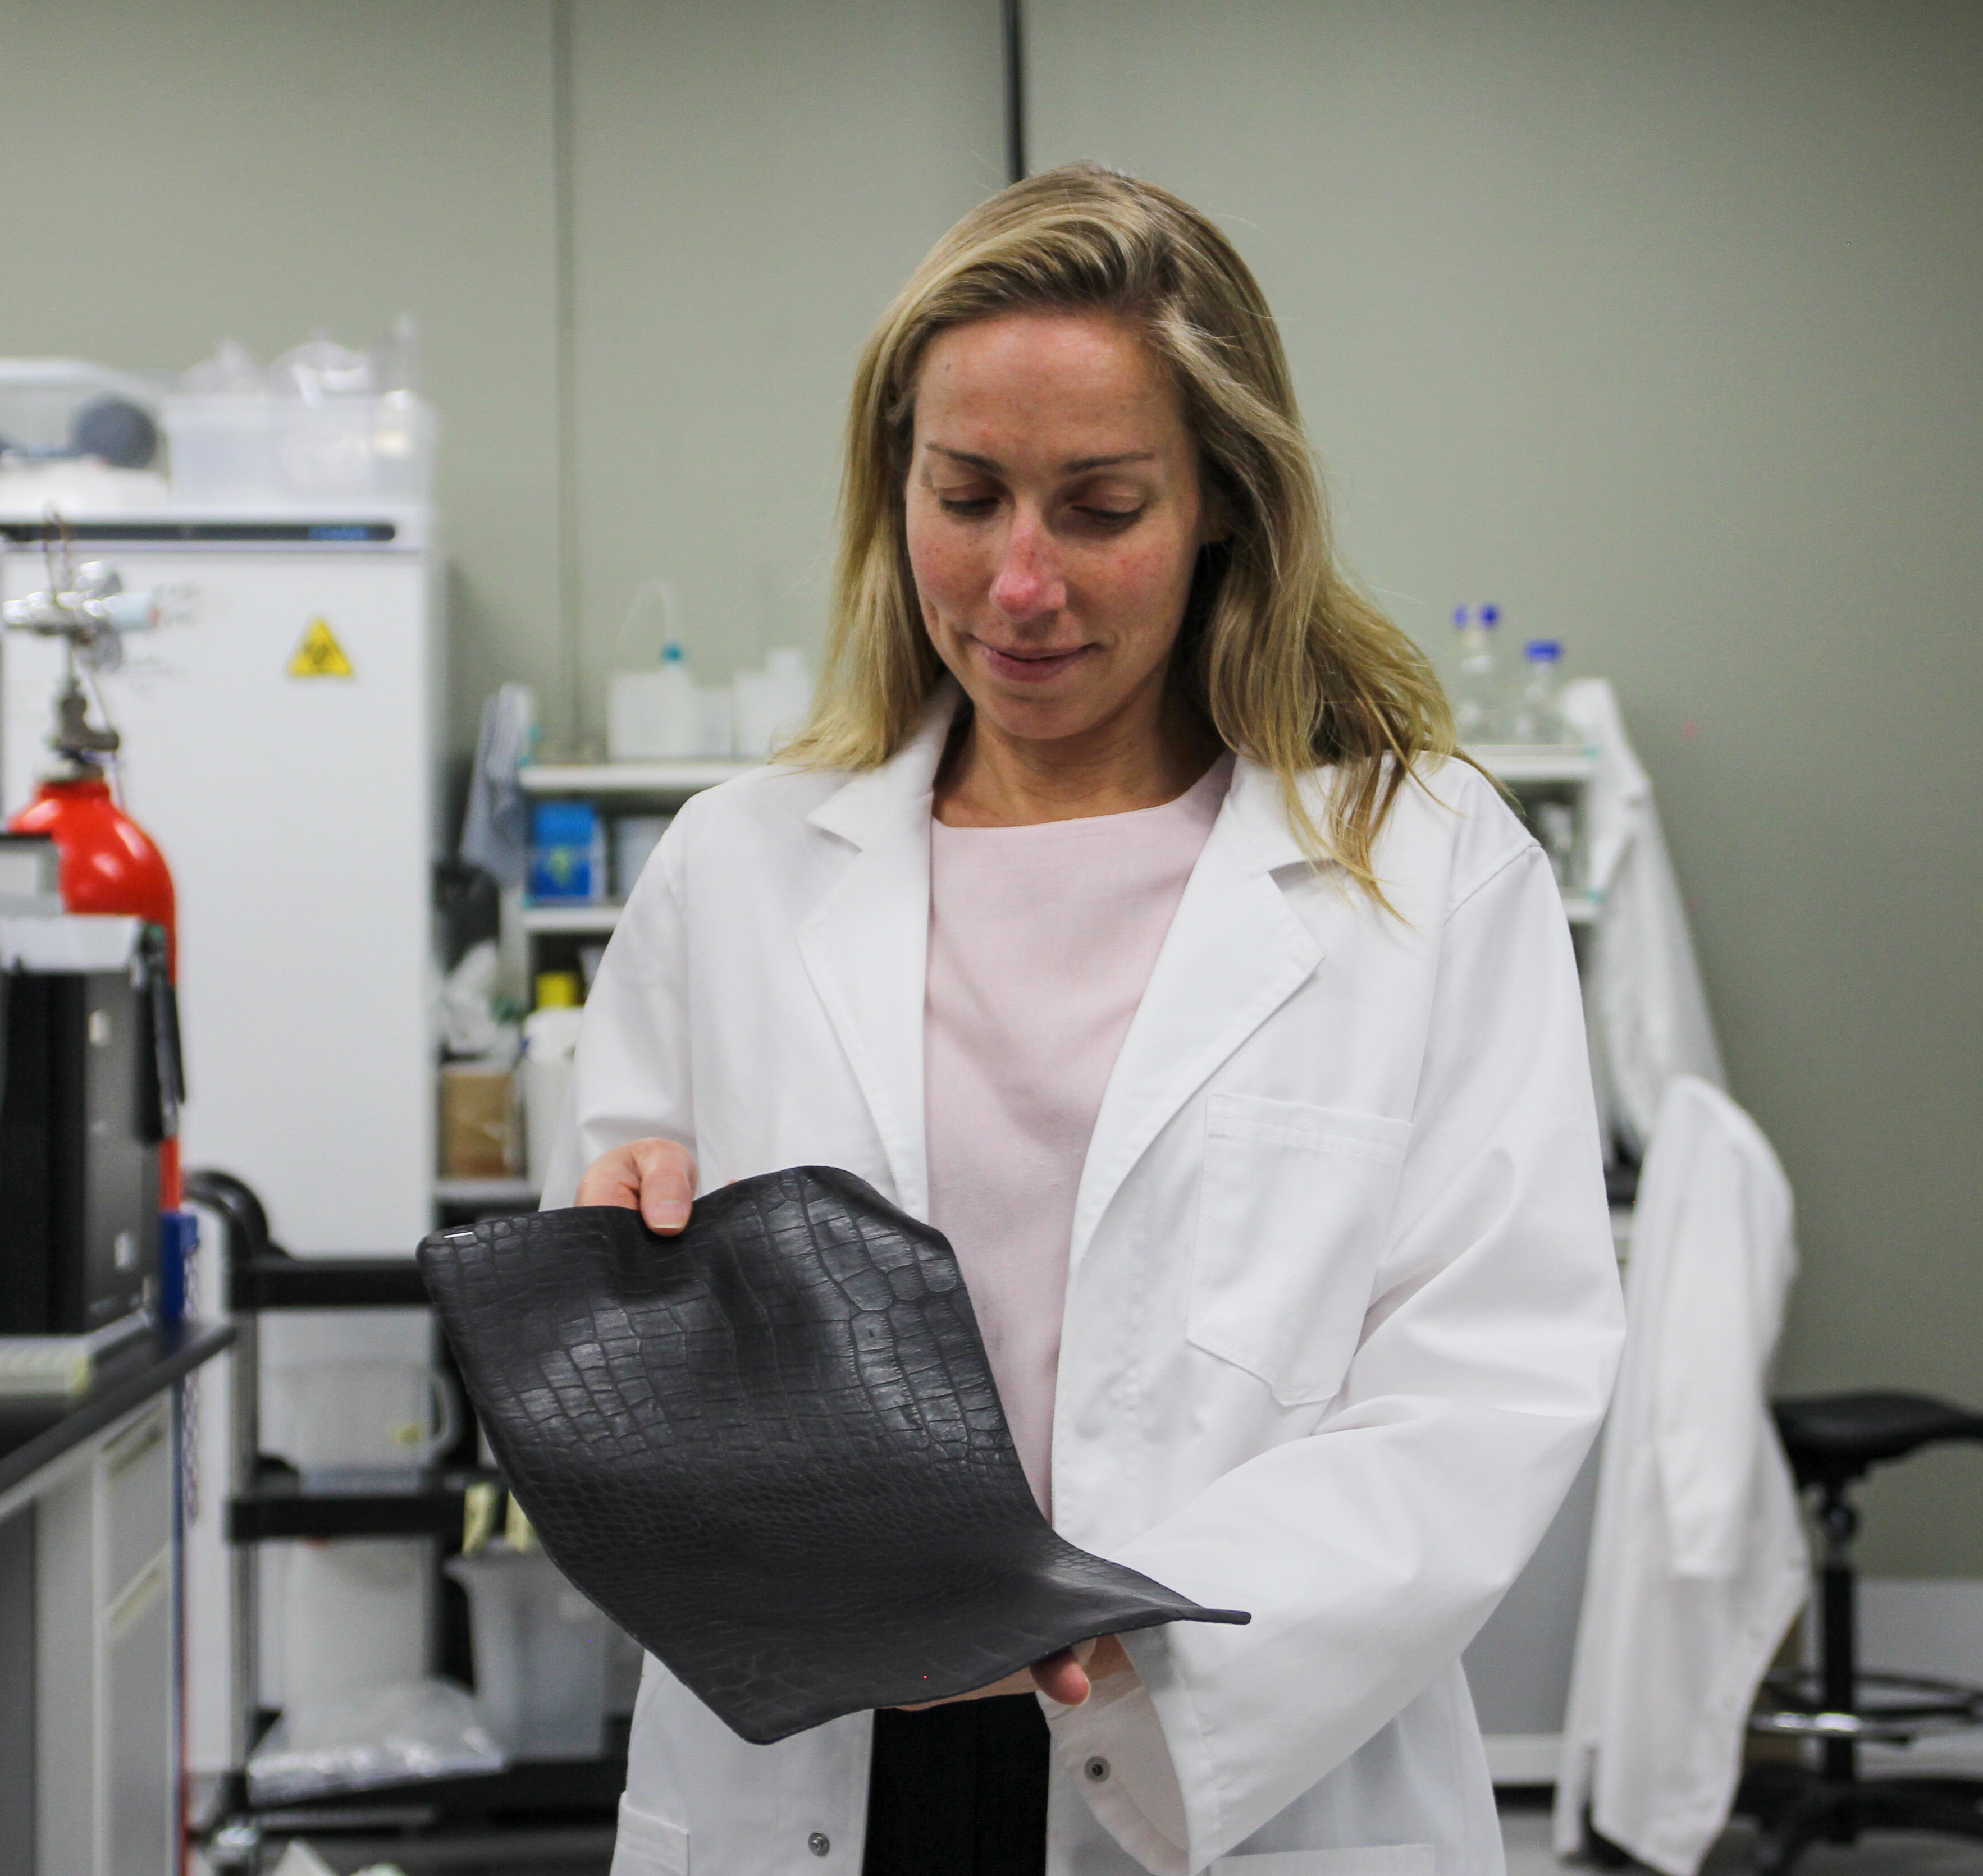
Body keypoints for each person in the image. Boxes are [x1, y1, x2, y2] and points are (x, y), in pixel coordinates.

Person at [561, 163, 1623, 1876]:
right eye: (963, 495)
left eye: (1100, 506)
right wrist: (626, 1282)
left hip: (1220, 1753)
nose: (1020, 583)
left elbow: (1488, 1375)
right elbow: (629, 1284)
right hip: (822, 1768)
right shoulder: (738, 869)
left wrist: (1126, 1630)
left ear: (1222, 507)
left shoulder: (1418, 869)